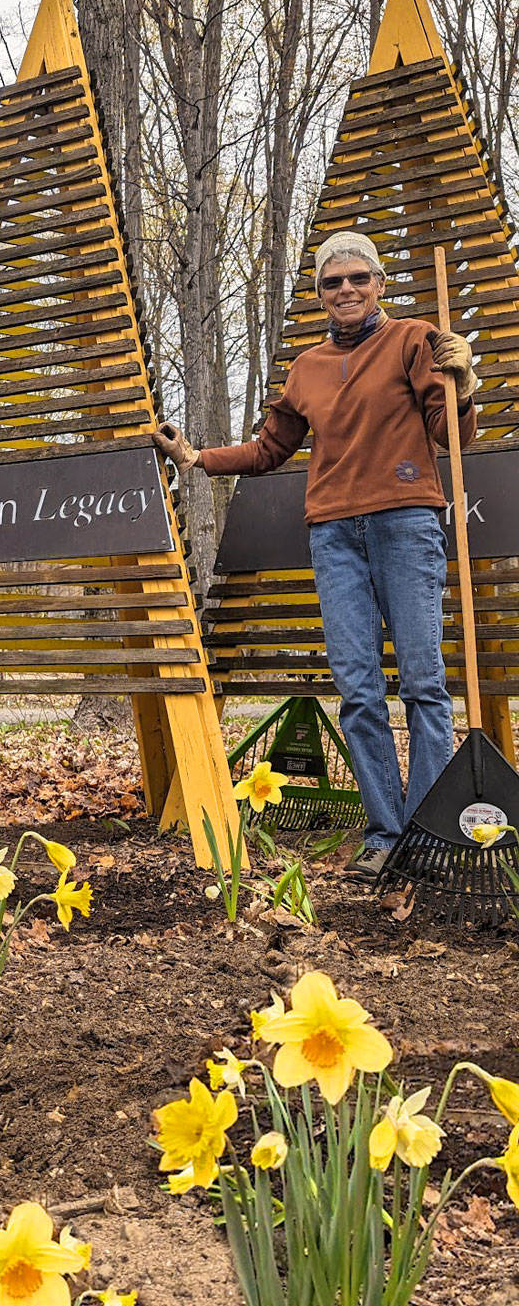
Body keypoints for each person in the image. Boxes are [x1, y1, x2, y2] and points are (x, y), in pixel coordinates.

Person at [154, 232, 477, 880]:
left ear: (379, 283)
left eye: (358, 278)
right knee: (358, 691)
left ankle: (429, 832)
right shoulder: (306, 367)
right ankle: (385, 831)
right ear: (320, 295)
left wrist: (462, 380)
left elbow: (453, 437)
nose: (347, 290)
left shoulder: (415, 341)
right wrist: (196, 458)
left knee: (423, 685)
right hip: (334, 537)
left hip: (405, 523)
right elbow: (270, 449)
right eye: (333, 283)